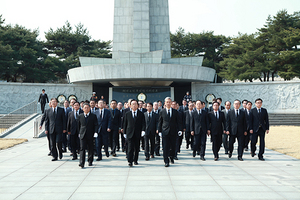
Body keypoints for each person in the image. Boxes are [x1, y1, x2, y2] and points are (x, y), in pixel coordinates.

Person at [158, 97, 183, 167]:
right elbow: (160, 122)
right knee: (165, 147)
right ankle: (166, 160)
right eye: (167, 102)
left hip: (173, 131)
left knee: (173, 146)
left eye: (169, 102)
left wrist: (180, 130)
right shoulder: (162, 111)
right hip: (165, 131)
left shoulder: (175, 112)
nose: (168, 103)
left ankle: (171, 157)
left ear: (171, 103)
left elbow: (179, 122)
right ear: (165, 103)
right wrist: (159, 130)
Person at [123, 99, 146, 167]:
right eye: (132, 104)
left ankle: (135, 160)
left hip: (137, 133)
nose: (134, 105)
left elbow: (143, 123)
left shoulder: (141, 114)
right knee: (130, 148)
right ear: (130, 105)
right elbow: (125, 124)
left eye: (135, 104)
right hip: (129, 133)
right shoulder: (127, 114)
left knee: (136, 148)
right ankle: (130, 161)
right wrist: (124, 132)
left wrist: (143, 130)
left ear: (138, 105)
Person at [78, 103, 98, 168]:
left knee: (90, 148)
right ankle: (81, 162)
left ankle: (90, 161)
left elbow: (96, 125)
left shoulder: (93, 116)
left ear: (89, 108)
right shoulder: (80, 116)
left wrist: (95, 132)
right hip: (82, 134)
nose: (86, 109)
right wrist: (79, 132)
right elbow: (78, 125)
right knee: (82, 148)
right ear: (83, 109)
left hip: (90, 134)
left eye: (87, 107)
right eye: (85, 107)